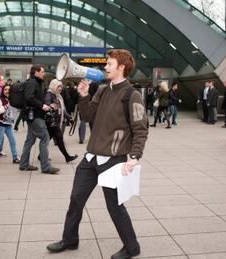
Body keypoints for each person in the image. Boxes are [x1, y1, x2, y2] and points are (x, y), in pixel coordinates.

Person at [46, 49, 148, 259]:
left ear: (121, 67)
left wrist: (134, 156)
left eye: (109, 64)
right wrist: (83, 96)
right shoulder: (102, 90)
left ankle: (132, 247)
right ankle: (70, 240)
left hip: (114, 159)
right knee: (76, 199)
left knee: (115, 207)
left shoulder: (132, 95)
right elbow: (87, 115)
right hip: (91, 157)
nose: (105, 67)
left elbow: (140, 129)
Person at [19, 65, 59, 174]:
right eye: (42, 71)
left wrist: (48, 105)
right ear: (36, 72)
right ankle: (46, 167)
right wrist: (42, 106)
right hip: (35, 116)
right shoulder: (33, 82)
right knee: (45, 138)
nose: (44, 73)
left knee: (30, 141)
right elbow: (29, 97)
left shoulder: (36, 82)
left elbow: (36, 98)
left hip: (33, 115)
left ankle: (24, 164)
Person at [44, 79, 78, 163]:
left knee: (48, 139)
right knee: (59, 138)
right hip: (51, 121)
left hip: (53, 121)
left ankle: (41, 155)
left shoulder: (57, 95)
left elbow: (62, 110)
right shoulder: (49, 94)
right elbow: (47, 105)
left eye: (61, 86)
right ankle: (67, 157)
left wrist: (69, 117)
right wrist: (52, 106)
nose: (60, 88)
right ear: (53, 86)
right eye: (58, 86)